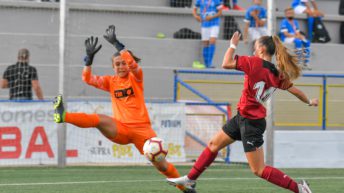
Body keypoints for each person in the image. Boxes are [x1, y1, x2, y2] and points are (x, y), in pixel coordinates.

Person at [167, 31, 318, 193]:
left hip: (251, 123)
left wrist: (232, 44)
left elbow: (226, 63)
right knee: (213, 145)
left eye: (255, 47)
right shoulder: (277, 73)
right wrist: (309, 101)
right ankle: (190, 180)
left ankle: (300, 189)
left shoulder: (253, 62)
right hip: (243, 118)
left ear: (261, 49)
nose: (253, 50)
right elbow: (295, 91)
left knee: (258, 169)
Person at [53, 25, 196, 193]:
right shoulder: (110, 82)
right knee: (98, 119)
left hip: (143, 131)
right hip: (121, 129)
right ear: (113, 67)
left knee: (163, 166)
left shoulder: (136, 78)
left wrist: (117, 44)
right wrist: (89, 59)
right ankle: (63, 116)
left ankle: (183, 187)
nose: (121, 66)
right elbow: (87, 78)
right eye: (117, 64)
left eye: (123, 63)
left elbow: (133, 65)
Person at [192, 0, 223, 68]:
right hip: (205, 24)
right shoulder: (199, 1)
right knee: (205, 43)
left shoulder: (216, 1)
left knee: (212, 41)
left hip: (214, 24)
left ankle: (210, 63)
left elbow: (220, 12)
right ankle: (206, 64)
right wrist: (196, 16)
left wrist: (211, 17)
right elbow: (194, 9)